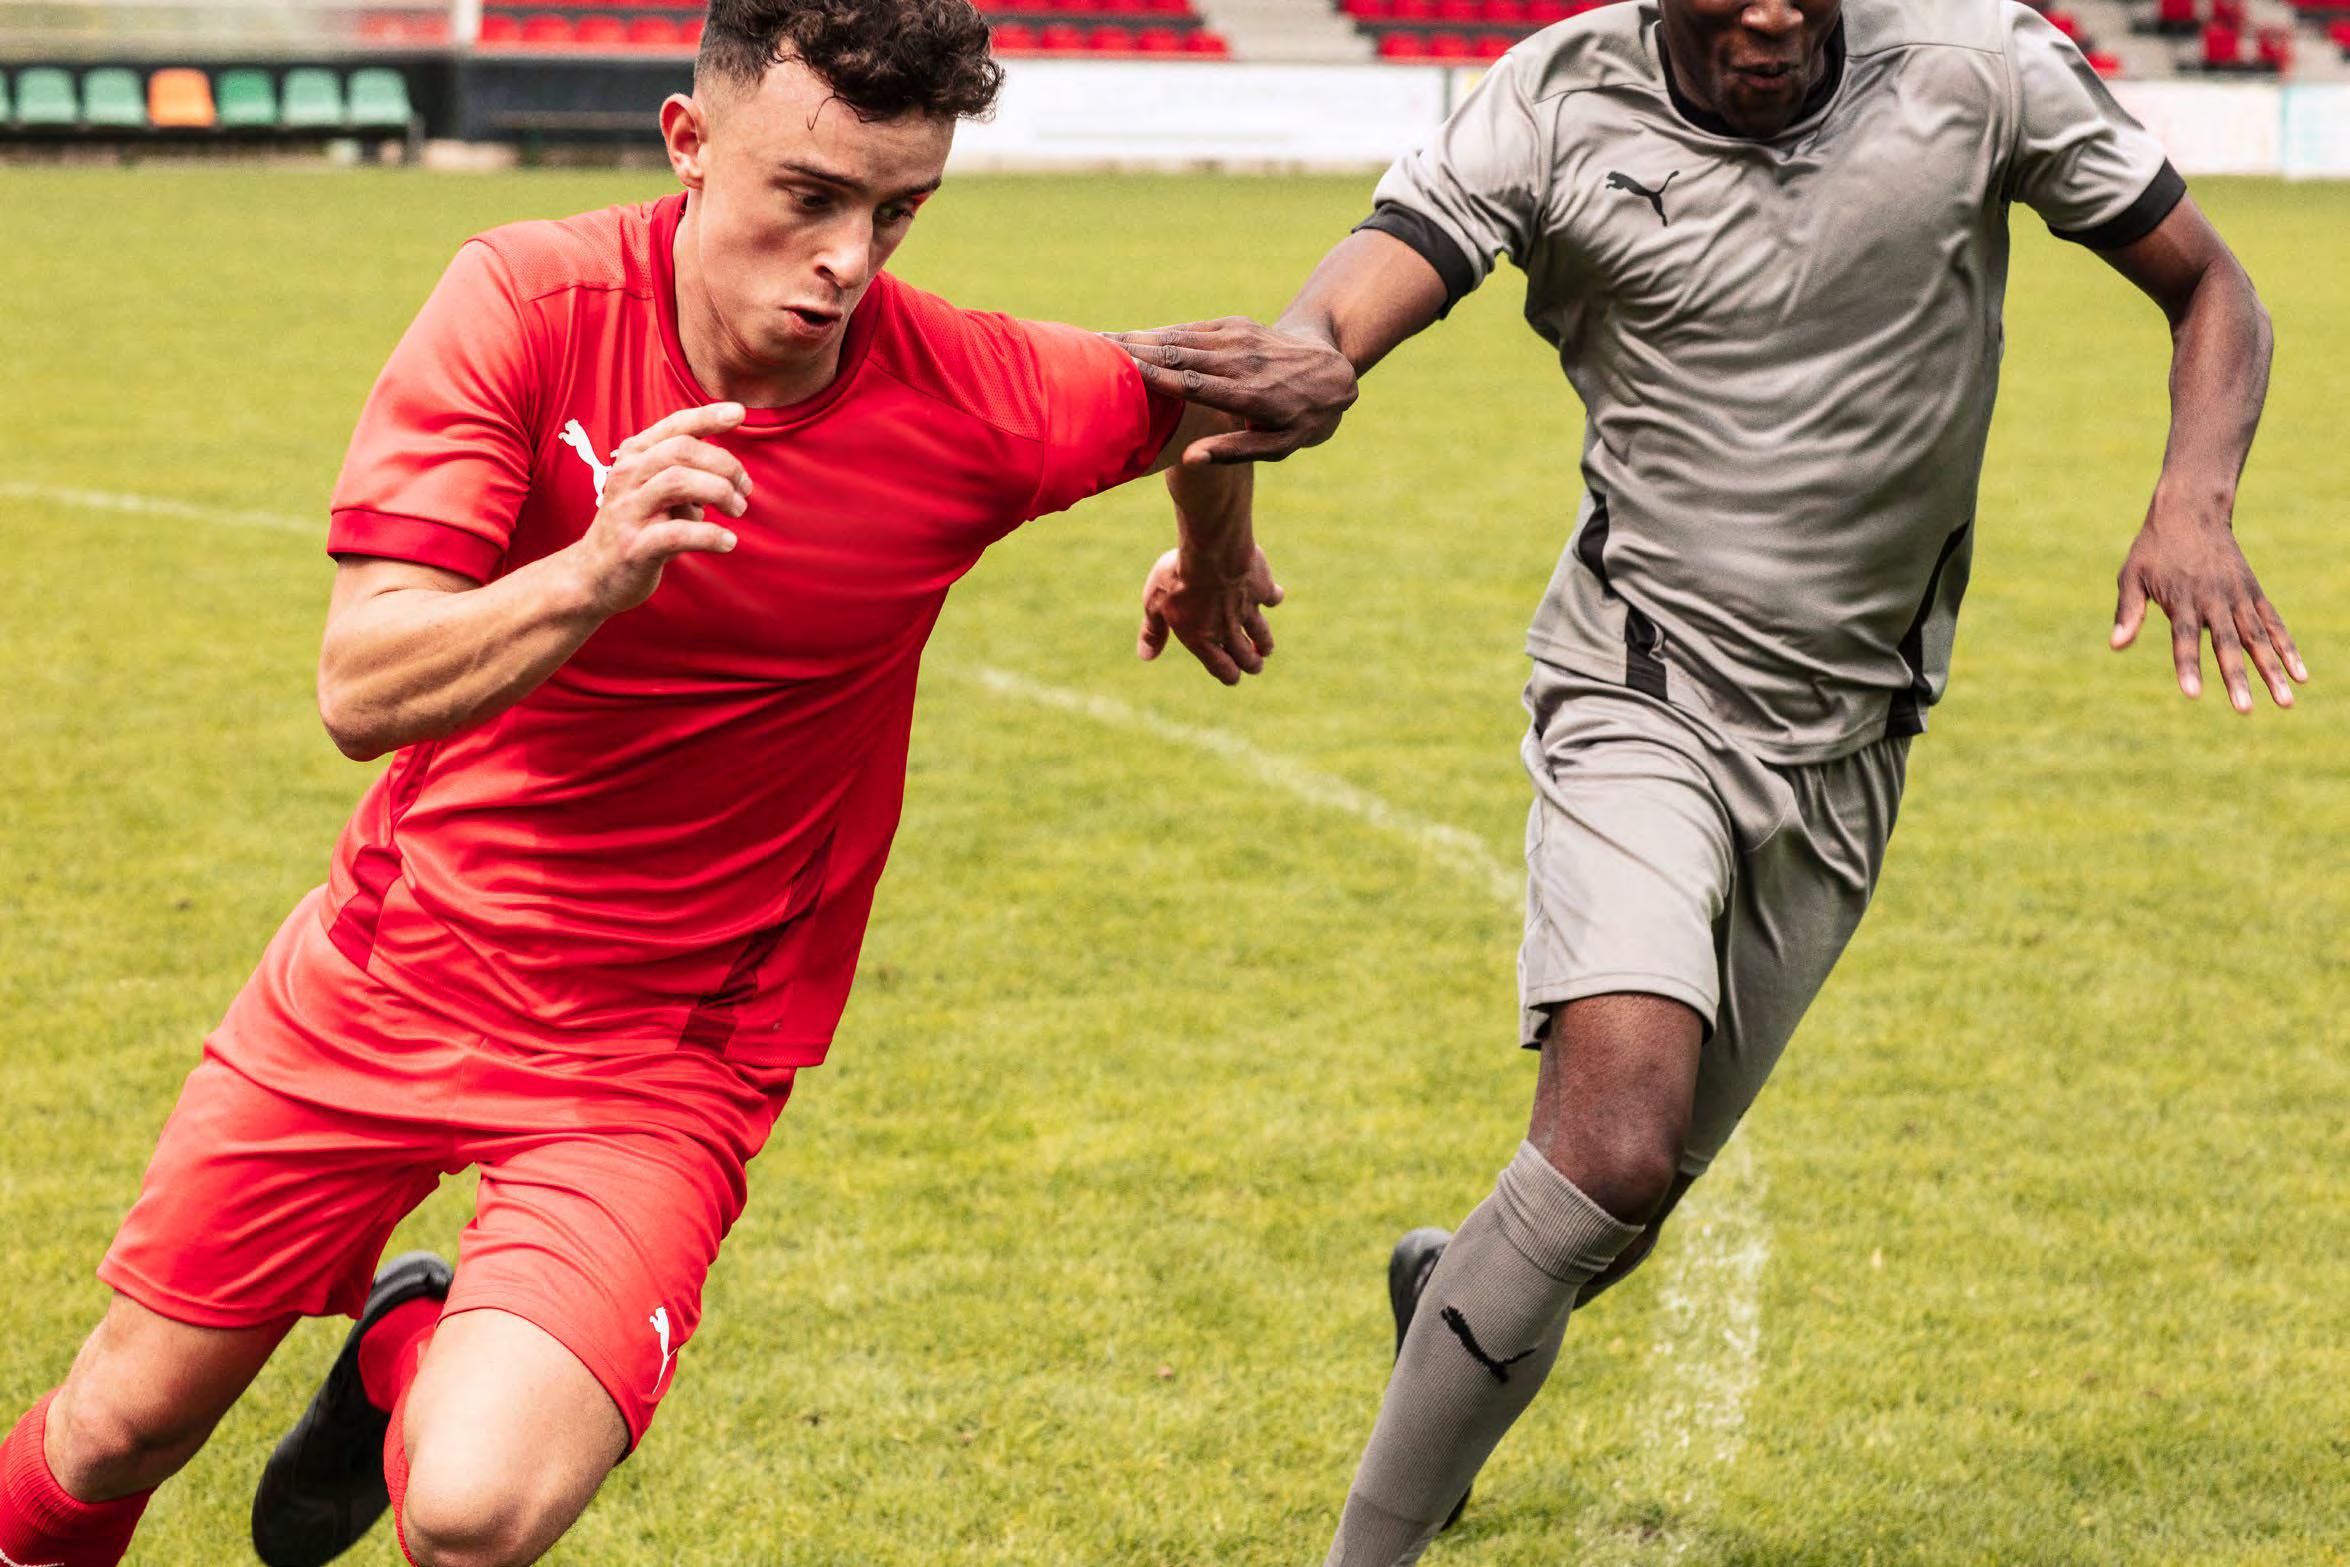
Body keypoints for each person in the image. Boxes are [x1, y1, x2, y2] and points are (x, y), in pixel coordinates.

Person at [0, 3, 1282, 1564]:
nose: (847, 260)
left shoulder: (967, 391)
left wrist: (1213, 560)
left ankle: (414, 1368)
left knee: (471, 1513)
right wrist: (592, 572)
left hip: (665, 1053)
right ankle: (405, 1346)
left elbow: (1225, 400)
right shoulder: (526, 302)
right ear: (687, 143)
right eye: (808, 197)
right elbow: (361, 686)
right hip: (396, 964)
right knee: (116, 1430)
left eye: (897, 212)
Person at [1110, 0, 2306, 1559]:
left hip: (1856, 731)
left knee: (1603, 1214)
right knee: (1607, 1148)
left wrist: (2193, 495)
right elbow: (1297, 354)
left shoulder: (1980, 67)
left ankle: (1443, 1294)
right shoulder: (1551, 105)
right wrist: (1232, 514)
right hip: (1641, 687)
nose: (1769, 13)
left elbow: (2211, 282)